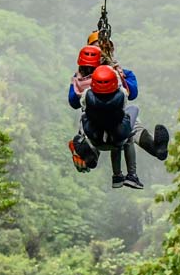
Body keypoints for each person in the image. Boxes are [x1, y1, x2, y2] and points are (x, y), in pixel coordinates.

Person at [66, 47, 168, 189]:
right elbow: (130, 93)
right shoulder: (117, 79)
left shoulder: (82, 82)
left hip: (95, 128)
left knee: (89, 130)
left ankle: (92, 158)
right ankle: (150, 153)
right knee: (131, 126)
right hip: (118, 128)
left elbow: (74, 101)